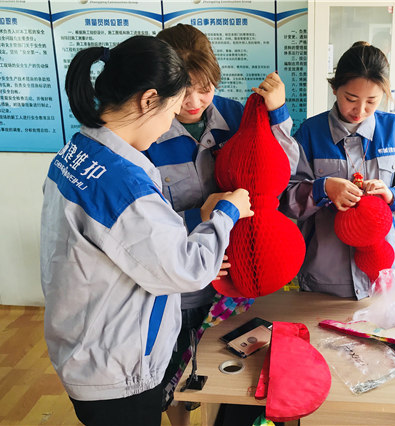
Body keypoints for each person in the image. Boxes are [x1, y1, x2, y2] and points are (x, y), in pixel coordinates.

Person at [40, 35, 253, 426]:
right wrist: (227, 211)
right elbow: (187, 268)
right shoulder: (122, 182)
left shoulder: (79, 151)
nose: (170, 123)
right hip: (116, 366)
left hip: (87, 346)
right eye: (171, 110)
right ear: (148, 100)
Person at [143, 24, 298, 425]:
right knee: (176, 374)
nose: (194, 102)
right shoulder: (147, 133)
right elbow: (142, 223)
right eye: (183, 92)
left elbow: (279, 174)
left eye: (206, 88)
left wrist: (278, 114)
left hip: (240, 277)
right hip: (184, 283)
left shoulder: (236, 115)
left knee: (235, 368)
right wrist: (198, 217)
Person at [280, 41, 395, 300]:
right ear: (335, 88)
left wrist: (392, 195)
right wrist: (323, 189)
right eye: (350, 99)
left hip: (383, 274)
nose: (360, 110)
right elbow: (285, 197)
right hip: (325, 277)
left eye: (372, 101)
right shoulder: (311, 133)